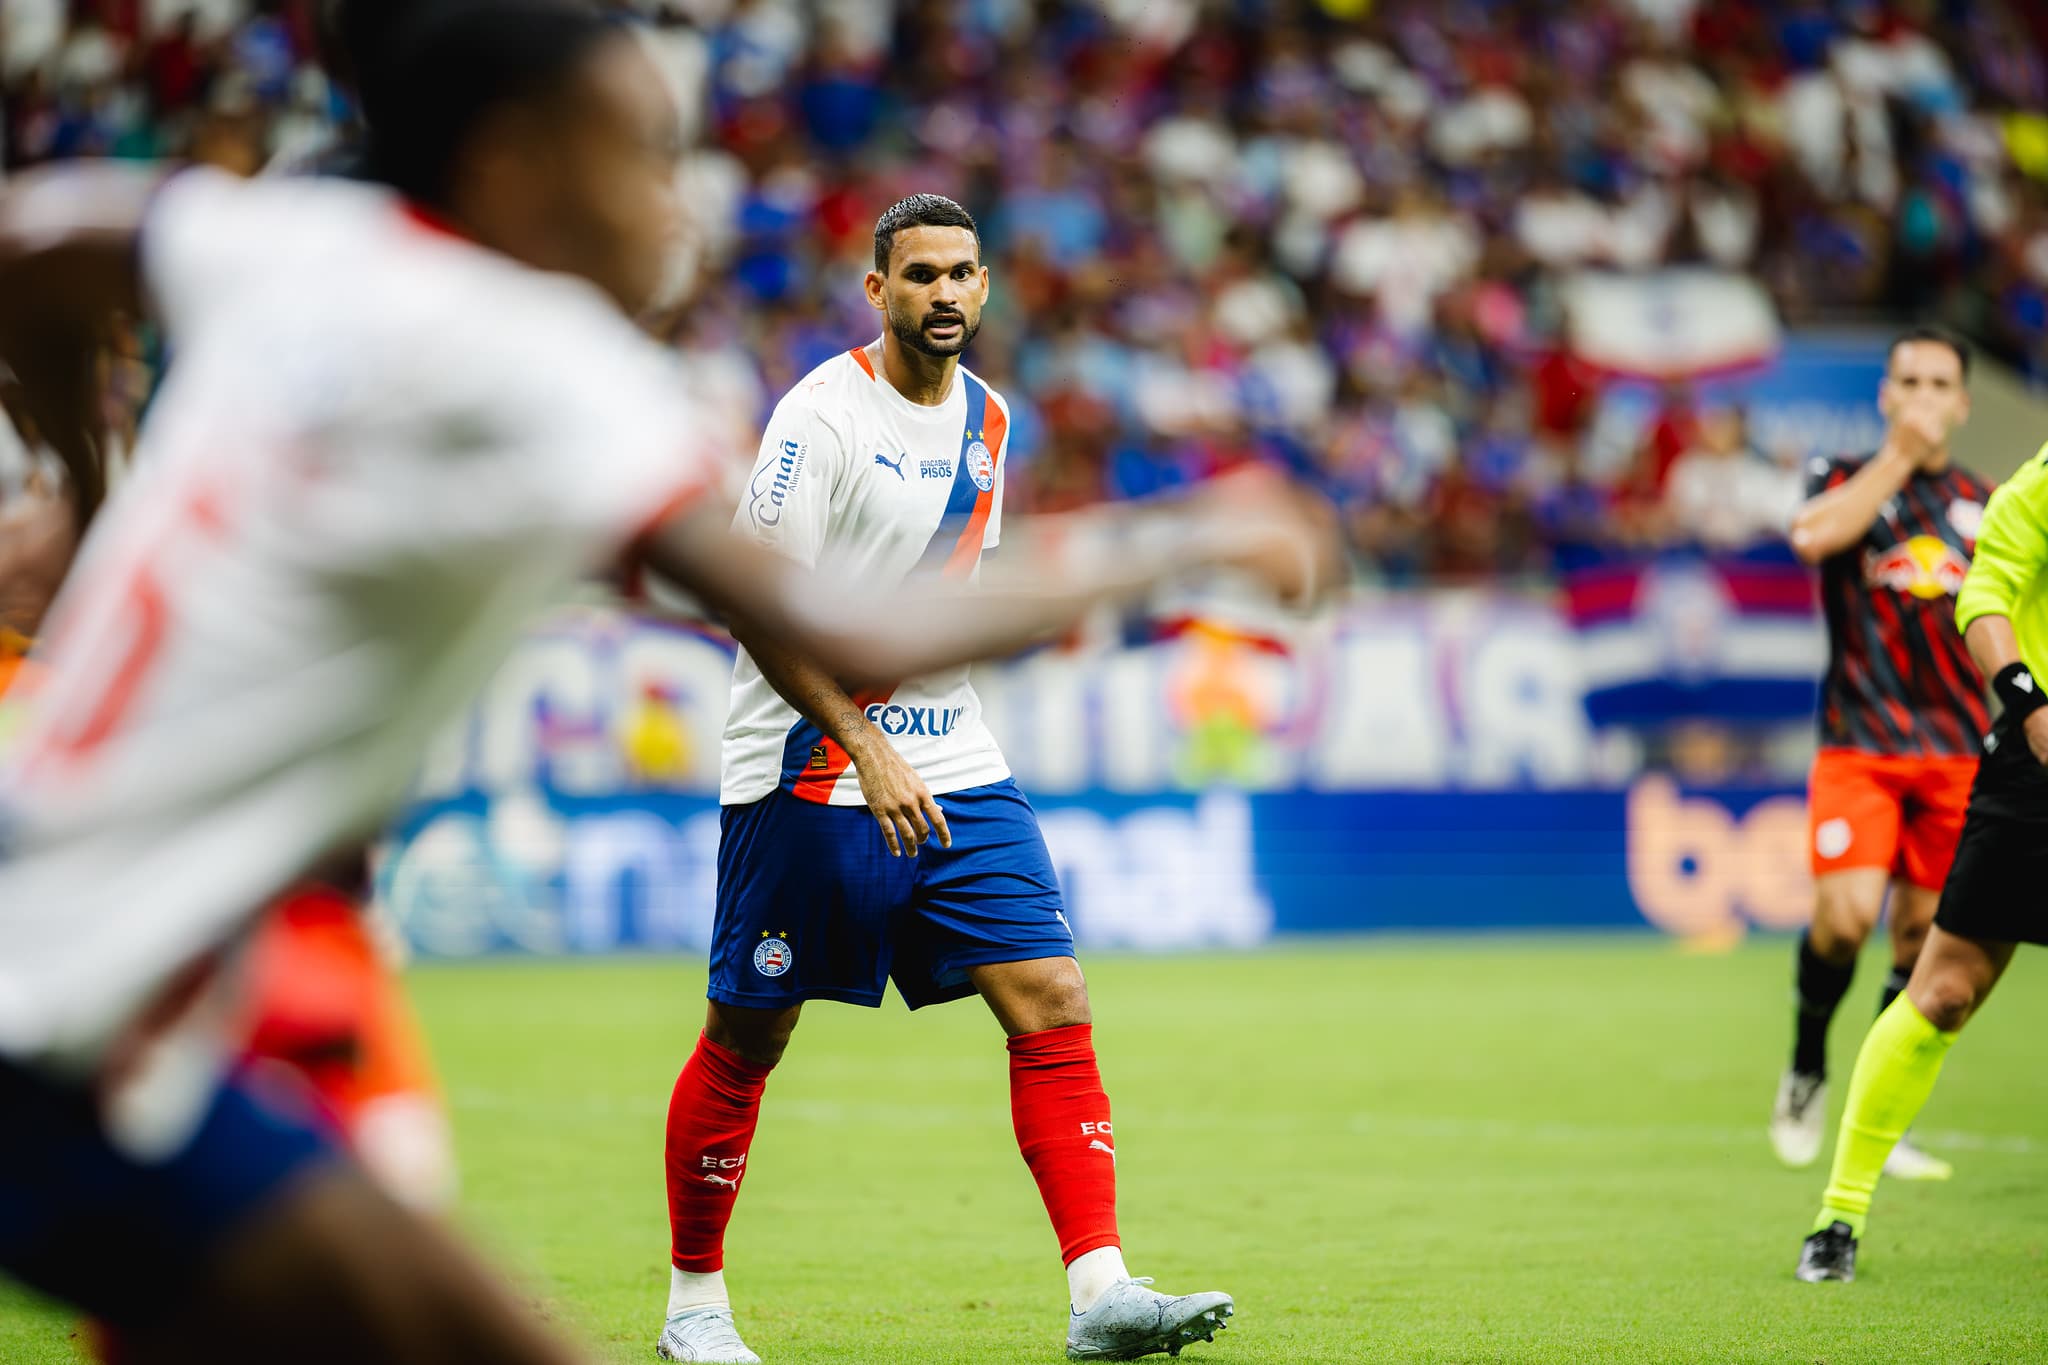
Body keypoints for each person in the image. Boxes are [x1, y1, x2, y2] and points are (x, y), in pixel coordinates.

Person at [0, 3, 1331, 1360]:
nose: (677, 195)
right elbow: (837, 623)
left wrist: (90, 488)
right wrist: (1184, 533)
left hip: (75, 951)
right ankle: (699, 1303)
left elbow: (39, 246)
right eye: (641, 150)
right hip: (73, 1009)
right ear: (515, 167)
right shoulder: (551, 374)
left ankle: (1097, 1285)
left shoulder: (287, 238)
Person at [653, 195, 1234, 1365]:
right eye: (919, 276)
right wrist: (864, 744)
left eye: (963, 274)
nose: (945, 295)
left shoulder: (990, 418)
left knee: (1052, 993)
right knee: (747, 1034)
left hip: (951, 753)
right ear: (877, 292)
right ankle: (693, 1310)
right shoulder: (815, 419)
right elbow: (752, 605)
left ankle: (1100, 1291)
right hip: (810, 766)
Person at [1796, 434, 2048, 1282]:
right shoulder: (2038, 483)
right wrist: (2031, 704)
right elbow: (1985, 594)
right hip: (2035, 763)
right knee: (1940, 991)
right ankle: (1839, 1214)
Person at [1770, 328, 1991, 1182]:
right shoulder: (1842, 477)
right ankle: (1807, 1065)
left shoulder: (1990, 501)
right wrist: (1898, 460)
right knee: (1845, 919)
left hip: (1955, 753)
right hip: (1860, 744)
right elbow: (1814, 538)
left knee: (1916, 942)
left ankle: (1880, 1116)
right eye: (1911, 381)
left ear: (1965, 403)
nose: (1927, 396)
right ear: (1886, 396)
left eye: (1942, 383)